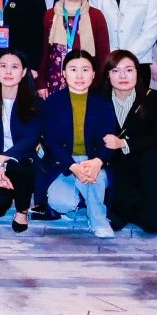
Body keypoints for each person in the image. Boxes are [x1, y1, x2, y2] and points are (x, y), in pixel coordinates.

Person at [101, 50, 157, 235]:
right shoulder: (99, 99)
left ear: (137, 73)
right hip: (111, 160)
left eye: (129, 70)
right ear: (107, 75)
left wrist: (124, 144)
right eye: (116, 71)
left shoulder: (151, 98)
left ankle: (150, 215)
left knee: (152, 158)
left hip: (141, 158)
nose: (123, 76)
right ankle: (119, 211)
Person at [40, 50, 119, 238]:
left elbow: (110, 139)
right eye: (73, 69)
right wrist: (73, 166)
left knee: (93, 177)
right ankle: (85, 200)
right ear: (64, 73)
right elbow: (50, 141)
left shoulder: (104, 103)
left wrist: (98, 161)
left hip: (94, 162)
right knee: (61, 203)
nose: (79, 75)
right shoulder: (53, 102)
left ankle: (98, 220)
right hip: (64, 163)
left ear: (93, 74)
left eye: (85, 69)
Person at [0, 50, 42, 233]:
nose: (8, 71)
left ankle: (22, 211)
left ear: (23, 72)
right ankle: (3, 188)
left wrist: (3, 159)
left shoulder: (34, 102)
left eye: (14, 67)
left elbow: (30, 139)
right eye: (3, 66)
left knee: (23, 166)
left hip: (21, 159)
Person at [38, 0, 110, 97]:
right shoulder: (50, 15)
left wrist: (100, 84)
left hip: (86, 80)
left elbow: (103, 53)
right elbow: (45, 52)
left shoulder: (96, 16)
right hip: (55, 79)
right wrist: (41, 82)